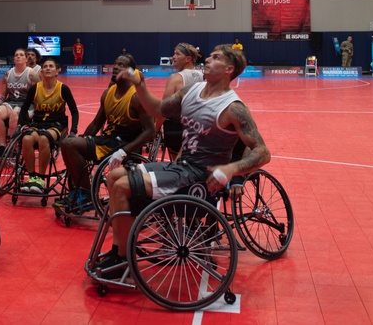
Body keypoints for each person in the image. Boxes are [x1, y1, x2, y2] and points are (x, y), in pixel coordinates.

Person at [94, 45, 270, 276]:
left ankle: (123, 259)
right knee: (114, 176)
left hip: (199, 177)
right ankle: (118, 249)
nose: (207, 59)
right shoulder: (192, 91)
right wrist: (140, 84)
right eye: (210, 55)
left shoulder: (233, 108)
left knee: (122, 187)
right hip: (181, 167)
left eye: (216, 58)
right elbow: (158, 108)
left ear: (229, 69)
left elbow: (262, 151)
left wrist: (231, 169)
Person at [57, 54, 154, 211]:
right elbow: (96, 123)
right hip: (108, 141)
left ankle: (86, 195)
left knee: (70, 144)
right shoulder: (108, 93)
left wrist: (124, 151)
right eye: (115, 63)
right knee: (68, 143)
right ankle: (80, 191)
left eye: (121, 65)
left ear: (131, 71)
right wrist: (82, 139)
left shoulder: (136, 97)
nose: (116, 67)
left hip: (126, 144)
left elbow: (150, 131)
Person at [15, 57, 80, 194]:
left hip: (56, 125)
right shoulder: (35, 88)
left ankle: (41, 178)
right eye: (45, 66)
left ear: (57, 71)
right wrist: (19, 125)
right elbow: (24, 108)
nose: (48, 68)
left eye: (51, 66)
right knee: (26, 139)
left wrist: (73, 130)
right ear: (41, 72)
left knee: (43, 139)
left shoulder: (63, 88)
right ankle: (32, 176)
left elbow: (74, 111)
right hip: (38, 124)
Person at [0, 48, 39, 157]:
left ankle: (13, 148)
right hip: (11, 102)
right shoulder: (8, 74)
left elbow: (38, 94)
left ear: (26, 59)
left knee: (15, 113)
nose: (18, 56)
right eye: (16, 55)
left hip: (27, 104)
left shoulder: (31, 74)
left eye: (21, 55)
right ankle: (2, 147)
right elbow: (3, 94)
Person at [158, 43, 204, 155]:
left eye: (177, 54)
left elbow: (164, 109)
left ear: (188, 58)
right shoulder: (204, 75)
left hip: (178, 130)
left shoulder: (175, 78)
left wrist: (155, 128)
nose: (173, 57)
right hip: (201, 129)